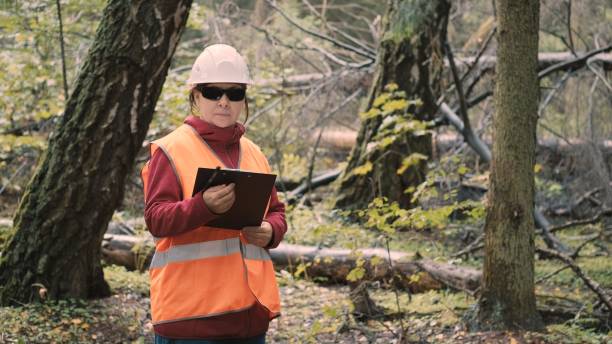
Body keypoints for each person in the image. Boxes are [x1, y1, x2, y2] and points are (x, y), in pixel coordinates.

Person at [141, 44, 287, 344]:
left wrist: (271, 231)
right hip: (191, 321)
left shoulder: (254, 152)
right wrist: (202, 206)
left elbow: (276, 212)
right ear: (196, 96)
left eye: (234, 93)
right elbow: (156, 219)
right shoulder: (172, 150)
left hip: (248, 318)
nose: (224, 101)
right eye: (213, 92)